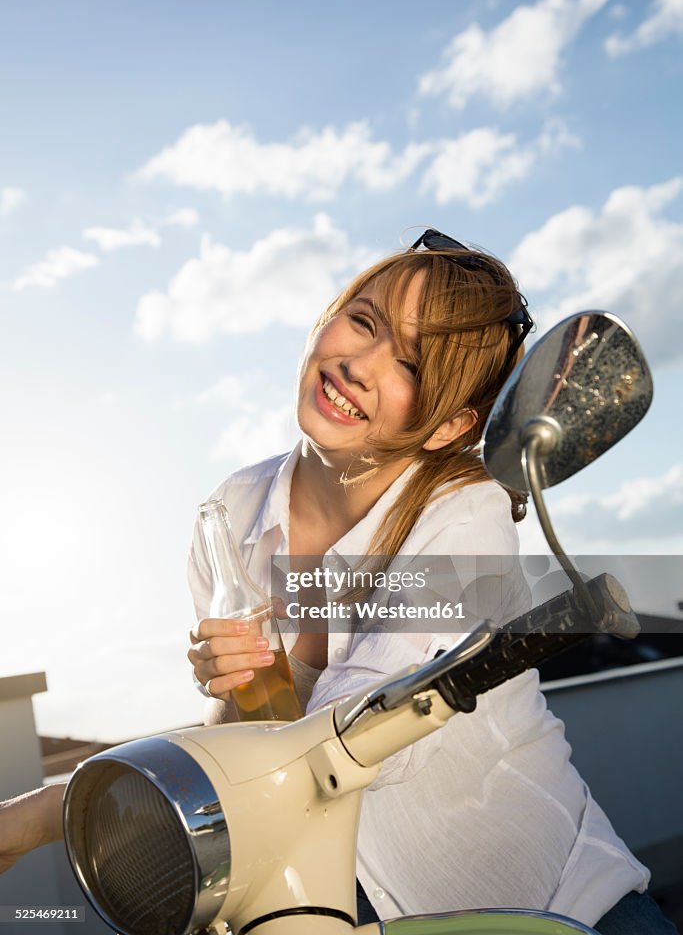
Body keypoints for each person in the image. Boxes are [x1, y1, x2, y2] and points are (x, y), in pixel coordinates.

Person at [0, 230, 676, 935]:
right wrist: (231, 697)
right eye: (363, 320)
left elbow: (355, 746)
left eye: (409, 364)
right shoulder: (231, 511)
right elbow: (257, 738)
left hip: (546, 902)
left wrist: (38, 815)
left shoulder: (464, 515)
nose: (358, 363)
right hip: (346, 908)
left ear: (449, 424)